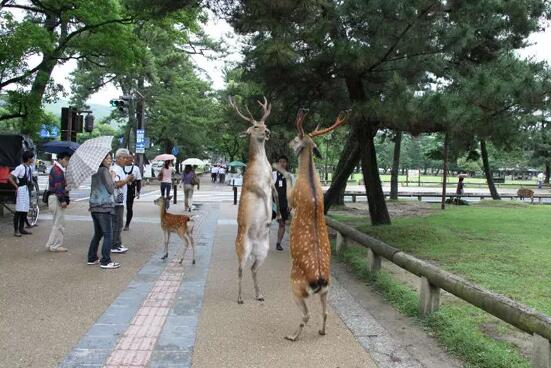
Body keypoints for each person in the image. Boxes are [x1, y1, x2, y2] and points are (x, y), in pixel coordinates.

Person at [88, 153, 120, 269]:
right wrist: (112, 177)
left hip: (94, 206)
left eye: (110, 158)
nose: (109, 160)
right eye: (107, 158)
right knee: (108, 234)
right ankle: (106, 260)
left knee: (98, 233)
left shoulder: (95, 171)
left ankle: (92, 257)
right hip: (104, 207)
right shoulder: (105, 171)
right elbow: (111, 189)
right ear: (101, 160)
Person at [44, 152, 71, 251]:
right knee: (59, 223)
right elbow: (58, 187)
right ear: (60, 159)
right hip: (56, 198)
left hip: (53, 198)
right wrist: (63, 200)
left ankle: (53, 244)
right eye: (66, 159)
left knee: (58, 222)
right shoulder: (58, 170)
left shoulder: (56, 169)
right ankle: (54, 245)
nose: (67, 162)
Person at [111, 149, 134, 254]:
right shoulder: (115, 169)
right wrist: (126, 180)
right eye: (124, 158)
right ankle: (115, 244)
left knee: (118, 223)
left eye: (127, 158)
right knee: (117, 223)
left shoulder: (119, 169)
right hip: (117, 201)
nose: (126, 160)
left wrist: (127, 180)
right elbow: (115, 184)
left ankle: (117, 243)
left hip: (119, 200)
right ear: (118, 158)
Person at [8, 151, 35, 237]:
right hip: (21, 189)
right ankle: (16, 230)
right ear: (28, 159)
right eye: (32, 158)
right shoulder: (20, 167)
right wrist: (16, 187)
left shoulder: (29, 168)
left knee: (25, 210)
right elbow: (10, 177)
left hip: (27, 190)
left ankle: (22, 228)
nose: (33, 159)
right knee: (19, 210)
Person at [272, 155, 295, 251]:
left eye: (284, 162)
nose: (282, 163)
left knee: (282, 224)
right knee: (266, 223)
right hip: (272, 204)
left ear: (287, 164)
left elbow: (293, 192)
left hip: (284, 204)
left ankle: (278, 243)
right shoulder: (272, 175)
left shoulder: (291, 176)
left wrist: (290, 204)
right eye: (280, 162)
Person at [123, 153, 142, 231]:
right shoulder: (121, 167)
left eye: (131, 158)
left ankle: (127, 224)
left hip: (130, 190)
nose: (129, 159)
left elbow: (138, 180)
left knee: (129, 207)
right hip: (121, 189)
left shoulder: (136, 168)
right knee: (120, 207)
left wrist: (138, 191)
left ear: (133, 158)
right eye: (127, 158)